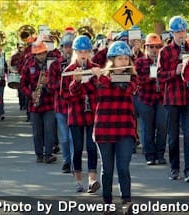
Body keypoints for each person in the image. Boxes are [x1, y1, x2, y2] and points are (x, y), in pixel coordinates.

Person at [71, 41, 136, 213]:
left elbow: (124, 89)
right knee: (107, 169)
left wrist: (101, 77)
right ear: (112, 60)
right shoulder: (99, 77)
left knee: (123, 167)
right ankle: (107, 202)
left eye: (126, 58)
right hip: (104, 129)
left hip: (125, 129)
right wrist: (77, 81)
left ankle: (126, 201)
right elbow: (77, 93)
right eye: (120, 59)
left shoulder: (131, 77)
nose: (124, 62)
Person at [158, 16, 189, 182]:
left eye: (183, 31)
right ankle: (174, 168)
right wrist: (175, 71)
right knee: (173, 136)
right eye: (178, 32)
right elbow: (159, 75)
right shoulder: (165, 51)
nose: (181, 35)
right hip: (173, 98)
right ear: (172, 33)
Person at [63, 35, 100, 193]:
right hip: (76, 114)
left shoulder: (96, 68)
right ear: (75, 52)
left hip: (92, 113)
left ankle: (92, 180)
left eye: (86, 51)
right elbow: (66, 96)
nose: (83, 55)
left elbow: (99, 92)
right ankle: (78, 180)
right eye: (80, 52)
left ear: (90, 52)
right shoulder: (68, 71)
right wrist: (76, 82)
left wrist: (96, 77)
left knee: (92, 147)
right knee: (77, 148)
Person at [20, 40, 57, 164]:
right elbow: (23, 84)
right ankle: (39, 155)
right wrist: (31, 94)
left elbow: (58, 83)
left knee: (49, 129)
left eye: (43, 53)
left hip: (49, 102)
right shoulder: (28, 64)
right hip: (34, 103)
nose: (42, 56)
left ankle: (48, 154)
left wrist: (49, 83)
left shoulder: (52, 64)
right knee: (37, 131)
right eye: (39, 54)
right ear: (34, 55)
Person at [135, 33, 167, 165]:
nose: (154, 50)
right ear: (146, 47)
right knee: (147, 128)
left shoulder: (165, 62)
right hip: (146, 98)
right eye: (151, 47)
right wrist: (150, 77)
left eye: (157, 47)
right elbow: (137, 80)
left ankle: (160, 154)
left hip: (161, 98)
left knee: (162, 125)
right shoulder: (139, 62)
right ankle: (149, 155)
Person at [49, 32, 75, 174]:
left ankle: (73, 162)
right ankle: (66, 161)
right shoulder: (54, 65)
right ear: (61, 48)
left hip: (74, 105)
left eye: (71, 46)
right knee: (64, 137)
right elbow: (51, 84)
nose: (69, 49)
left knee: (73, 137)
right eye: (66, 46)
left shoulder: (78, 64)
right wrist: (65, 81)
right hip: (60, 105)